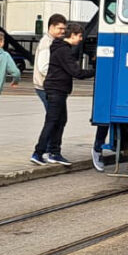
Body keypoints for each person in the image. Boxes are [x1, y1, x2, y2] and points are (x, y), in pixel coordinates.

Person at [30, 22, 95, 166]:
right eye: (79, 36)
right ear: (72, 35)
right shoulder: (64, 51)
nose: (80, 39)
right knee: (52, 121)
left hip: (57, 90)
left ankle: (54, 152)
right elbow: (76, 72)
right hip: (57, 90)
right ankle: (39, 152)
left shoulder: (60, 48)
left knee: (59, 121)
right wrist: (96, 71)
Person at [32, 14, 67, 156]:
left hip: (46, 86)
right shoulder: (47, 43)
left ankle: (47, 149)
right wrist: (58, 77)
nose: (62, 32)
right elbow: (44, 67)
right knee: (55, 119)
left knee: (56, 118)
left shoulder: (52, 41)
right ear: (51, 27)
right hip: (45, 87)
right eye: (60, 28)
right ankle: (48, 150)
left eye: (64, 29)